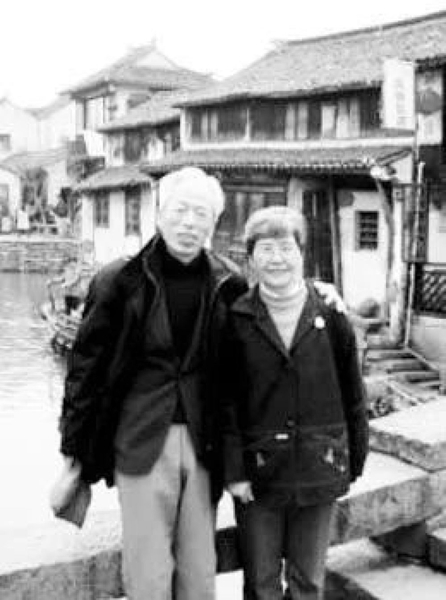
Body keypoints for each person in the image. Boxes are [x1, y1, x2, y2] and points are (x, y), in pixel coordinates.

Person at [55, 167, 346, 600]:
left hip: (204, 438)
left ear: (214, 223)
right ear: (160, 213)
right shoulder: (120, 280)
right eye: (181, 210)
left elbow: (271, 305)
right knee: (148, 570)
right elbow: (85, 371)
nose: (189, 223)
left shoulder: (227, 281)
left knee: (199, 568)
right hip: (139, 436)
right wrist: (74, 456)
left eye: (202, 214)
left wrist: (317, 293)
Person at [221, 206, 369, 600]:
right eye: (266, 249)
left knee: (308, 581)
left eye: (286, 248)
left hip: (320, 463)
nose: (277, 259)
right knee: (261, 582)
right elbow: (226, 403)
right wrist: (234, 473)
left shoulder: (331, 314)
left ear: (302, 253)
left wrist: (353, 460)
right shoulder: (237, 318)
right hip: (259, 470)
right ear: (250, 258)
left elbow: (353, 393)